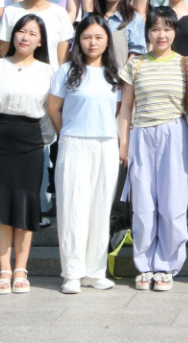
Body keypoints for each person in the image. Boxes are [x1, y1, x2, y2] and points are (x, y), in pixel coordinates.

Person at [118, 7, 188, 291]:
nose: (161, 34)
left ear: (175, 32)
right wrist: (123, 144)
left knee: (173, 202)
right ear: (147, 33)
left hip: (174, 133)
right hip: (141, 135)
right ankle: (145, 265)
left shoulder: (185, 64)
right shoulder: (136, 65)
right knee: (143, 204)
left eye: (167, 28)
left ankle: (166, 265)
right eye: (155, 29)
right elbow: (126, 107)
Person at [0, 13, 55, 295]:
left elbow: (49, 114)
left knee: (25, 205)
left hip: (31, 142)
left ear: (40, 41)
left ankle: (21, 270)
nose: (25, 37)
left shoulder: (47, 72)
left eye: (33, 33)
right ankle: (4, 270)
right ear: (13, 34)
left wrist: (41, 141)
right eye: (21, 31)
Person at [48, 15, 122, 294]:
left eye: (99, 37)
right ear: (78, 40)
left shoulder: (114, 73)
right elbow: (53, 108)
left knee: (101, 209)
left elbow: (117, 111)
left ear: (107, 41)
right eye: (87, 37)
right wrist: (67, 132)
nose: (93, 42)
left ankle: (95, 271)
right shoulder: (66, 71)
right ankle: (72, 273)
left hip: (106, 144)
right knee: (72, 207)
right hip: (74, 143)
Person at [92, 0, 147, 68]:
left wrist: (123, 75)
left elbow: (137, 52)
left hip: (122, 75)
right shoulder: (90, 18)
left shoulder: (134, 18)